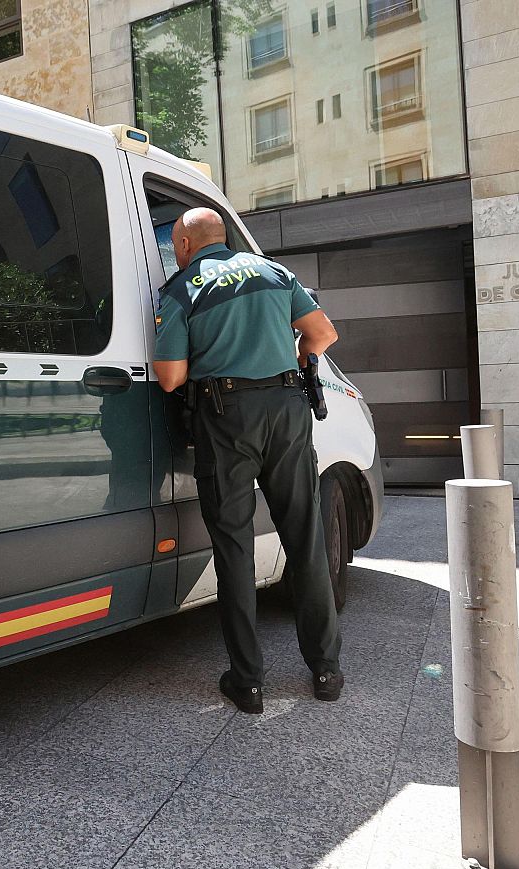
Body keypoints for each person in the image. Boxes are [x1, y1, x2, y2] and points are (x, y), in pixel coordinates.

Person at [151, 208, 343, 714]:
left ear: (186, 244)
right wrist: (297, 357)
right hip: (287, 408)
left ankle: (248, 682)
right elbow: (323, 334)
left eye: (175, 244)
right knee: (305, 535)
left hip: (227, 415)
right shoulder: (272, 271)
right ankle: (326, 669)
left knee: (233, 546)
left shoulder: (180, 289)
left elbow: (170, 378)